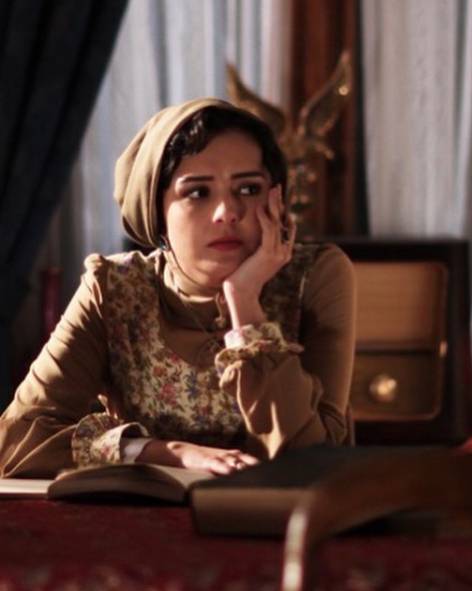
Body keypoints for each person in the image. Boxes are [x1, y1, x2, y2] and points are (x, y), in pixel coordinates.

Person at [0, 98, 356, 478]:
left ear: (277, 200)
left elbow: (316, 458)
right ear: (157, 212)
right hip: (138, 511)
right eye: (198, 193)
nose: (227, 212)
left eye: (249, 189)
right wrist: (164, 452)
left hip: (278, 513)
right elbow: (16, 444)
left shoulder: (314, 276)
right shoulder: (113, 289)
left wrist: (244, 301)